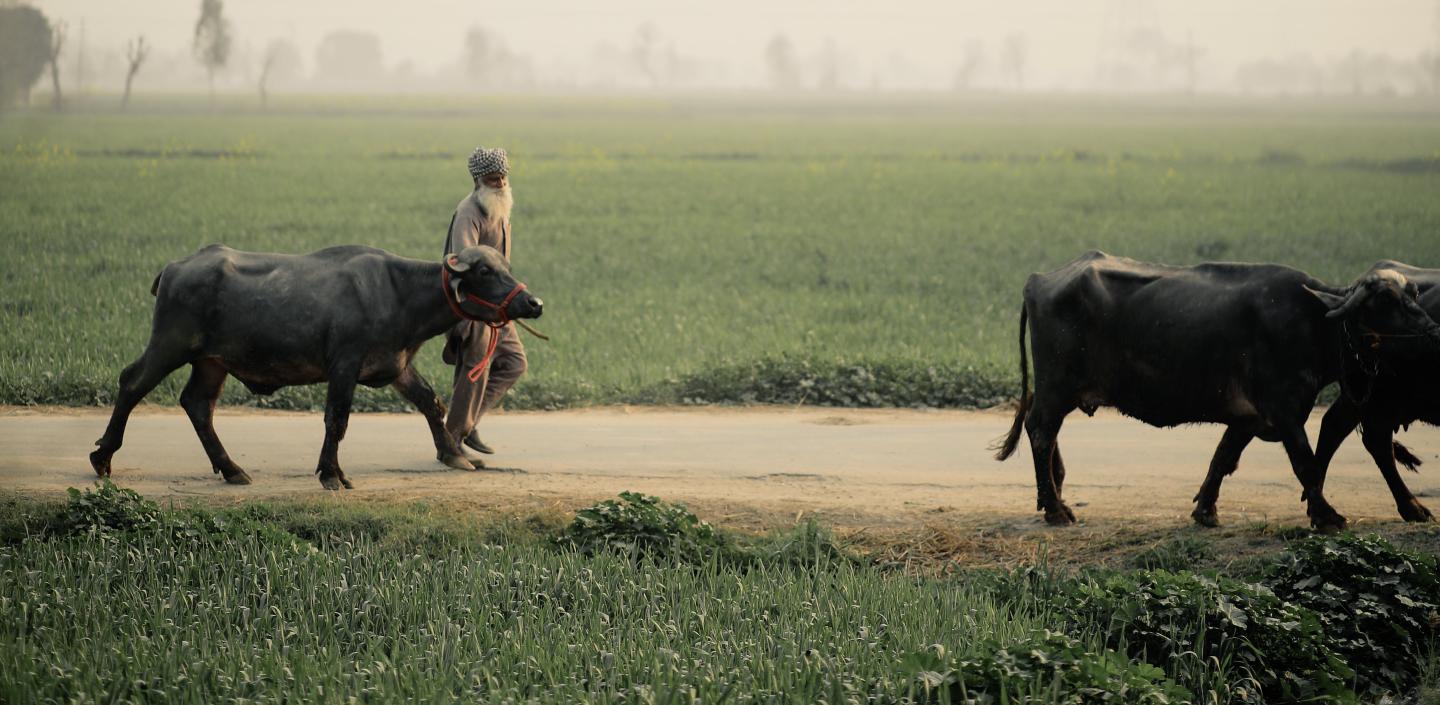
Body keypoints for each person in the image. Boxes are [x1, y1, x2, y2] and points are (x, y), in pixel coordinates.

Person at [443, 146, 526, 462]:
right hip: (476, 305)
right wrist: (478, 309)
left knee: (514, 363)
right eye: (494, 179)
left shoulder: (500, 207)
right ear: (478, 180)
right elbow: (465, 261)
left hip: (499, 305)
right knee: (475, 370)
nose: (501, 183)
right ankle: (450, 445)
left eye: (504, 177)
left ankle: (467, 423)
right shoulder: (469, 212)